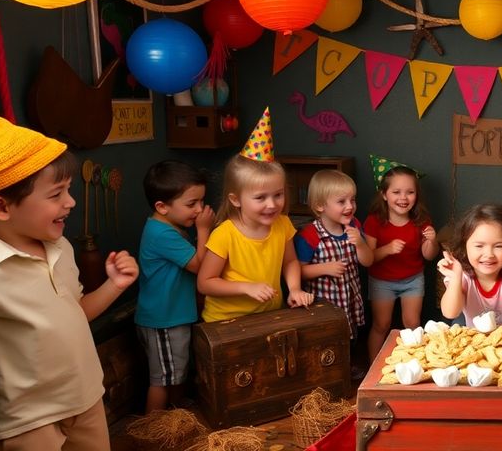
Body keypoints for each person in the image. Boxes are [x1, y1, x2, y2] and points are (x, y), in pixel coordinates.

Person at [0, 116, 139, 451]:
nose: (70, 202)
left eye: (69, 189)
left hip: (85, 397)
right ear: (0, 207)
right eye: (56, 194)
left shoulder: (60, 247)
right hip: (28, 421)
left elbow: (76, 311)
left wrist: (114, 285)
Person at [197, 111, 313, 322]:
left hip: (269, 316)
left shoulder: (283, 224)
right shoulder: (224, 234)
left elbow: (290, 262)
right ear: (236, 199)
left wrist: (295, 289)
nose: (272, 204)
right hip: (226, 322)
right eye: (260, 197)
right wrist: (246, 288)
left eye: (278, 195)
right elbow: (205, 283)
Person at [137, 160, 214, 413]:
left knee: (175, 372)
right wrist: (204, 230)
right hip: (163, 319)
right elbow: (199, 266)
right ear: (162, 207)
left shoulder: (172, 226)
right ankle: (153, 429)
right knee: (162, 379)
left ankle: (177, 412)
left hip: (174, 315)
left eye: (201, 201)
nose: (199, 209)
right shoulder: (162, 233)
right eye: (191, 204)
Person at [364, 165, 438, 362]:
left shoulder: (421, 220)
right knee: (381, 324)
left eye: (410, 192)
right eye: (396, 192)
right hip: (381, 280)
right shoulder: (374, 221)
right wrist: (387, 249)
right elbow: (368, 258)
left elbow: (429, 256)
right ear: (384, 195)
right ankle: (373, 366)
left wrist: (432, 241)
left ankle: (415, 364)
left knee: (412, 323)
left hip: (412, 279)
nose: (403, 198)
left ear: (417, 195)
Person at [294, 170, 373, 339]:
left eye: (352, 200)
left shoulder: (354, 226)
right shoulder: (310, 235)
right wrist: (324, 268)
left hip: (350, 301)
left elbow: (368, 261)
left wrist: (360, 243)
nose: (350, 206)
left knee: (350, 341)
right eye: (341, 202)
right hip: (324, 307)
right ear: (320, 205)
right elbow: (299, 271)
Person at [437, 203, 502, 337]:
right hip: (473, 343)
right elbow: (450, 312)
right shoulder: (462, 276)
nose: (489, 254)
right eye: (479, 246)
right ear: (465, 245)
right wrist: (456, 278)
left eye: (498, 246)